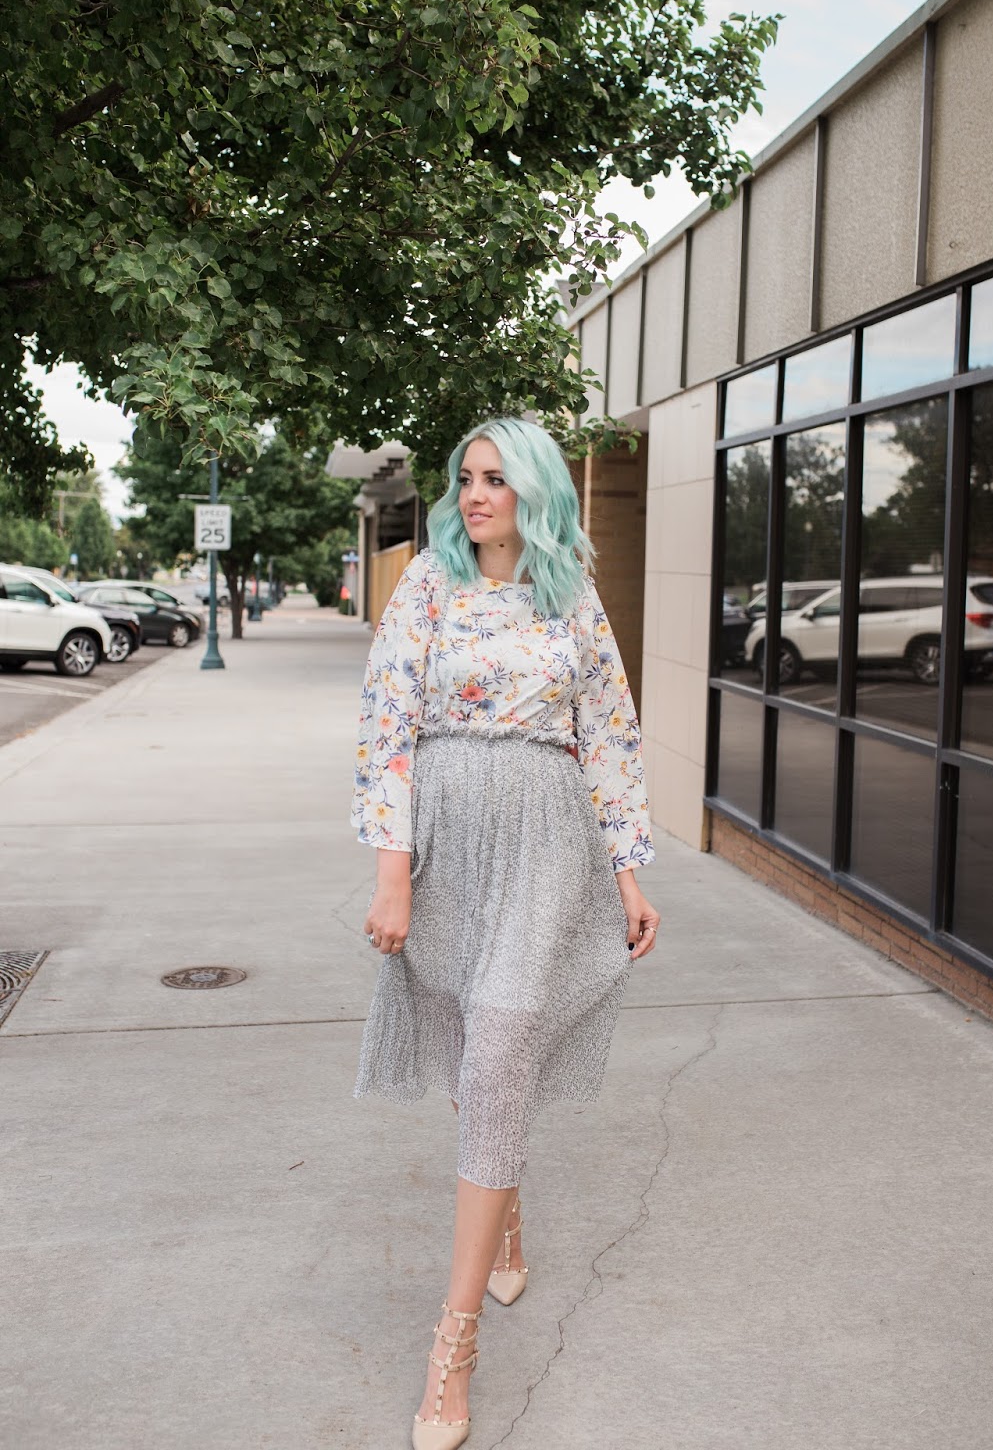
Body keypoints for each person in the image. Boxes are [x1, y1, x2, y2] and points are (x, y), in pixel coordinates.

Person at [352, 416, 661, 1450]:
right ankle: (507, 1215)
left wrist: (627, 872)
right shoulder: (427, 586)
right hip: (444, 840)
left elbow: (608, 736)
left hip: (543, 839)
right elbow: (386, 730)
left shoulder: (572, 597)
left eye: (494, 478)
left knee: (502, 1037)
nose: (474, 495)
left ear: (535, 491)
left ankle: (453, 1347)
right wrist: (392, 875)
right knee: (467, 1045)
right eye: (465, 478)